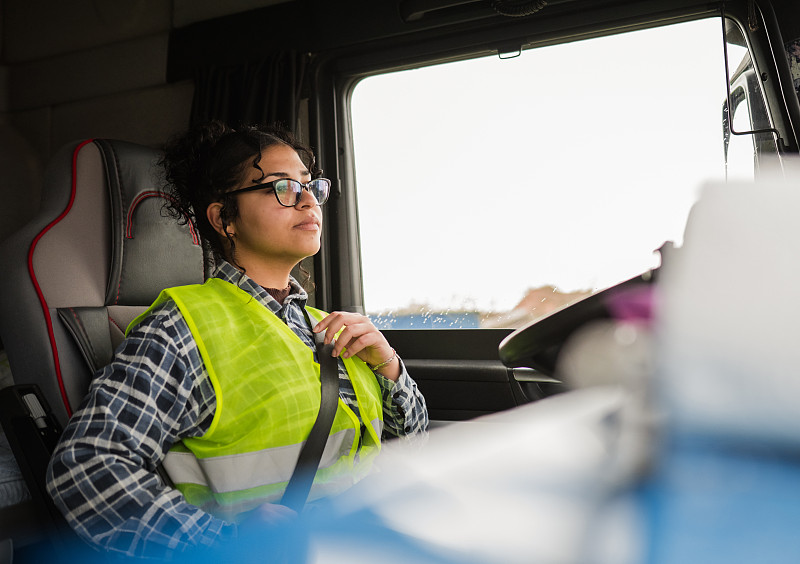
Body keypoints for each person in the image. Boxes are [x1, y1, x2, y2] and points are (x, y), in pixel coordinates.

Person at [45, 121, 429, 559]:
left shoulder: (333, 327)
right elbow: (86, 465)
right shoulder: (183, 327)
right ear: (224, 217)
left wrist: (391, 368)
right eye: (282, 187)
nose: (308, 200)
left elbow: (406, 450)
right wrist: (225, 543)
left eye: (310, 185)